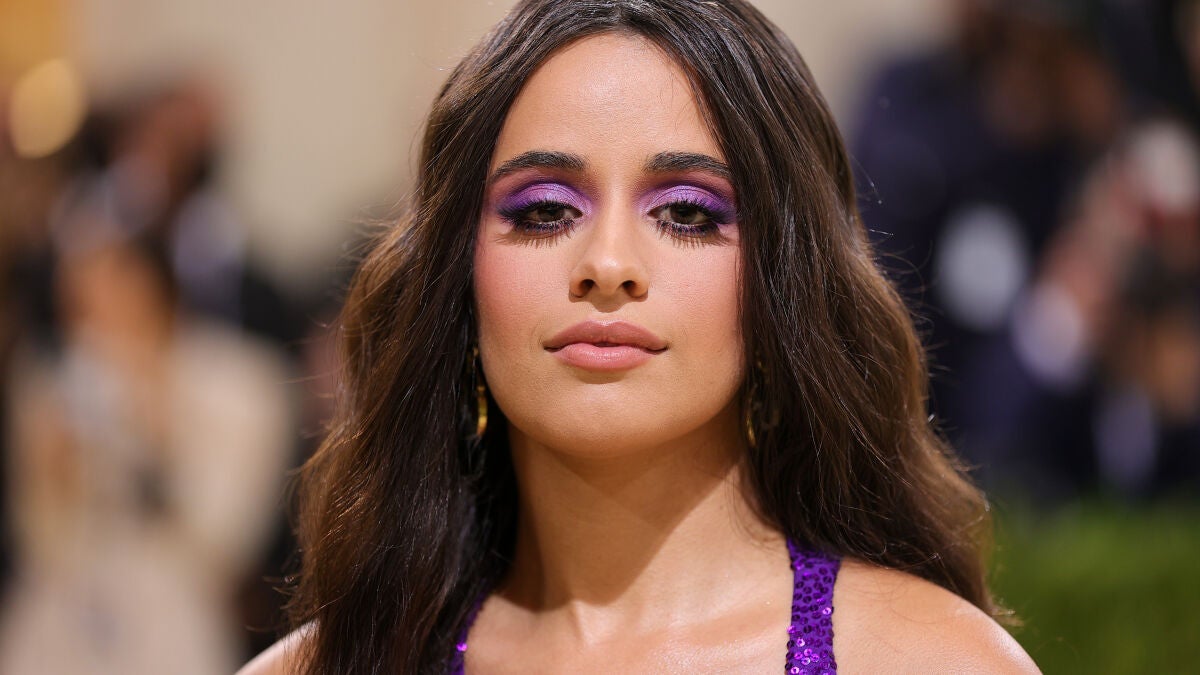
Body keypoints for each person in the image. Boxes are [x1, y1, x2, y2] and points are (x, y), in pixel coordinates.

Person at [242, 0, 1039, 672]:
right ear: (459, 272)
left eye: (687, 213)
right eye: (544, 210)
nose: (609, 265)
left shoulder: (932, 659)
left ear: (782, 283)